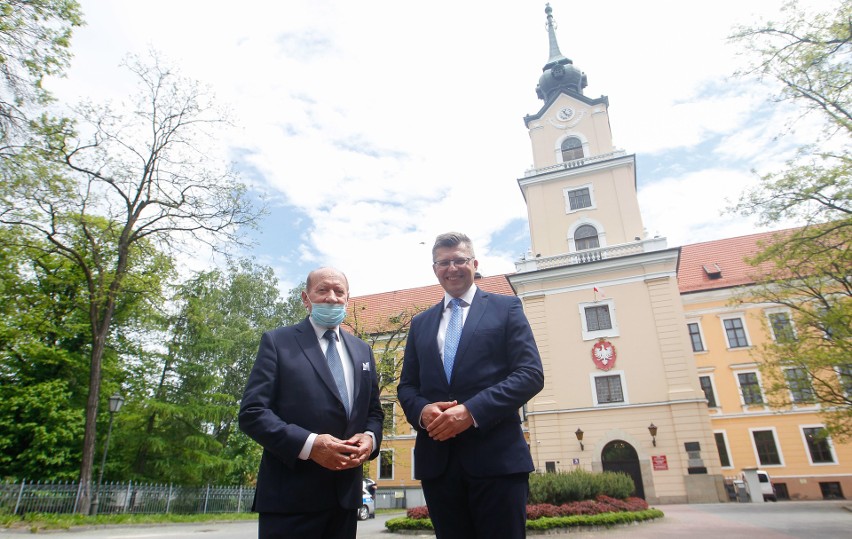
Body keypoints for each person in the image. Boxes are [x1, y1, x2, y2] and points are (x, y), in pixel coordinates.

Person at [398, 232, 544, 538]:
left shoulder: (507, 308)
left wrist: (472, 411)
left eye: (459, 260)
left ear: (474, 263)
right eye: (443, 262)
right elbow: (407, 386)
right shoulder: (420, 323)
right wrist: (422, 411)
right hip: (439, 464)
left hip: (497, 462)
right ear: (435, 268)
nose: (452, 268)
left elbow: (530, 373)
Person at [239, 267, 383, 539]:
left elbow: (374, 411)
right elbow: (253, 413)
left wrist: (370, 438)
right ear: (306, 299)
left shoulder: (362, 350)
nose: (331, 297)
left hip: (345, 500)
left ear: (347, 299)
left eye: (339, 291)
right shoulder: (278, 342)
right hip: (290, 500)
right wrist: (311, 445)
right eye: (322, 290)